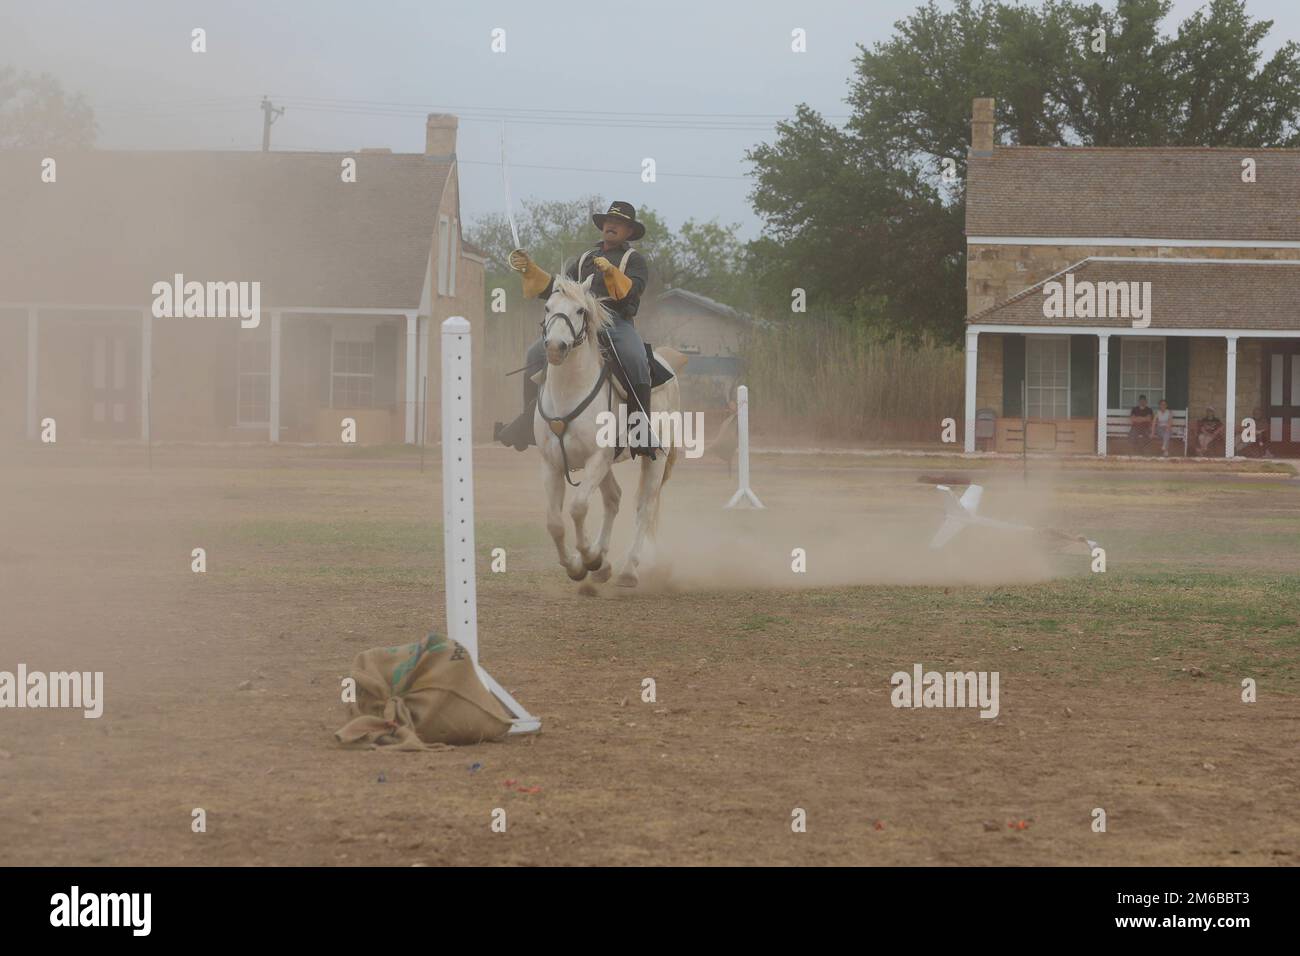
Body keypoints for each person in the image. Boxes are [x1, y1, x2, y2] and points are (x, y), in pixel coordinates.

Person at [494, 201, 658, 459]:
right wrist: (530, 271)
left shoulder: (634, 260)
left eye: (620, 223)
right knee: (534, 354)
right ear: (603, 226)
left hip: (617, 324)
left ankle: (640, 430)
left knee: (636, 359)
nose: (612, 226)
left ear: (629, 231)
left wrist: (612, 272)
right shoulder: (582, 260)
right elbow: (558, 290)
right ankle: (529, 421)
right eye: (608, 221)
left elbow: (631, 293)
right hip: (578, 324)